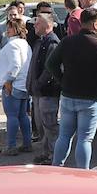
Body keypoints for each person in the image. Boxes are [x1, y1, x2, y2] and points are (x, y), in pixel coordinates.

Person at [46, 7, 97, 168]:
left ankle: (56, 167)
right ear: (94, 24)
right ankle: (83, 173)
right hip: (91, 100)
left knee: (64, 136)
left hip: (67, 97)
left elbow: (50, 64)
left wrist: (62, 80)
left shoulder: (67, 41)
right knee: (85, 139)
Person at [0, 16, 33, 155]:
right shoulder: (24, 44)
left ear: (16, 29)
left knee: (12, 116)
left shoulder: (13, 45)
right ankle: (27, 143)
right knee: (23, 115)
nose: (7, 30)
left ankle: (11, 146)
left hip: (14, 84)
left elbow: (15, 65)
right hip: (23, 84)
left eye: (9, 27)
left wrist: (9, 80)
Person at [26, 12, 61, 164]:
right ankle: (47, 154)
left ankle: (55, 157)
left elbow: (50, 70)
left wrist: (38, 84)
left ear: (47, 26)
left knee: (50, 126)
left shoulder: (52, 43)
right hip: (38, 92)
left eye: (37, 23)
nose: (34, 26)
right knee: (42, 126)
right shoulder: (41, 41)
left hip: (47, 93)